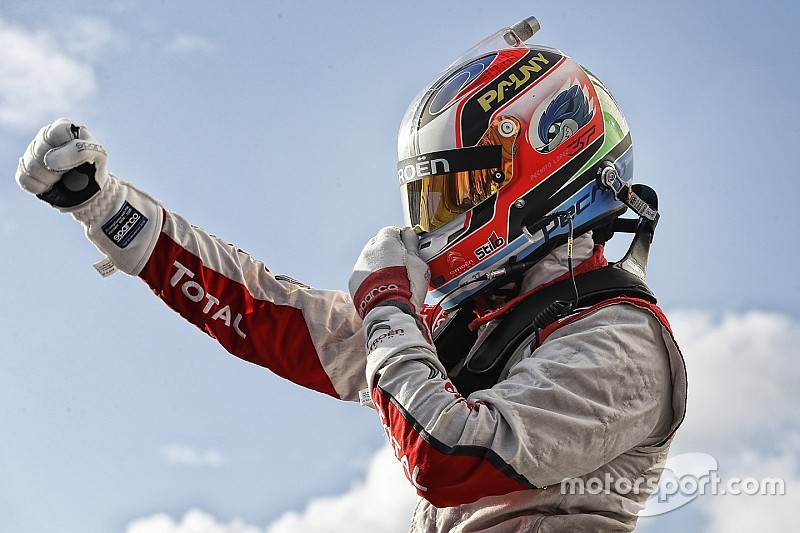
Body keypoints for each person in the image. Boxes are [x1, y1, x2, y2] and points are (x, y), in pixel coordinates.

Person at [16, 16, 686, 533]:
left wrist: (390, 311)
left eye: (459, 189)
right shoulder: (477, 324)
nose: (434, 222)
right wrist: (107, 209)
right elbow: (271, 318)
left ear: (544, 167)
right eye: (427, 198)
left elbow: (448, 458)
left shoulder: (624, 340)